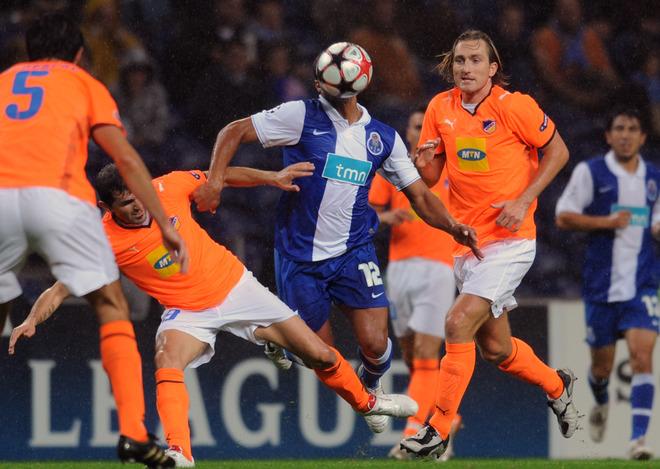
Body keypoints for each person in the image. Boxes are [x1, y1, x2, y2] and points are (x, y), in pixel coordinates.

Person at [10, 163, 419, 467]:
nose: (137, 207)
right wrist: (32, 319)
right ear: (106, 206)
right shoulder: (102, 239)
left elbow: (218, 176)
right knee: (167, 358)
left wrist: (270, 177)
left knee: (322, 355)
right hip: (187, 312)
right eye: (125, 204)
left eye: (137, 196)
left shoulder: (167, 186)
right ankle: (180, 452)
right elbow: (60, 287)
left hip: (237, 288)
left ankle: (368, 404)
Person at [192, 41, 481, 433]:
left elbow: (419, 195)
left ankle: (371, 387)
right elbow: (234, 131)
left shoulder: (382, 138)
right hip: (300, 256)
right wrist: (214, 182)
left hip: (353, 251)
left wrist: (452, 226)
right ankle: (286, 341)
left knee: (376, 345)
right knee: (321, 356)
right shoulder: (299, 116)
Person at [0, 14, 188, 468]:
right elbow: (123, 157)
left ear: (28, 50)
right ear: (80, 54)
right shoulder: (85, 84)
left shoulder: (3, 82)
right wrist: (163, 222)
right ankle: (134, 435)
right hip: (60, 198)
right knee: (110, 305)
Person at [398, 30, 577, 460]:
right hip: (468, 244)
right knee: (495, 349)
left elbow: (559, 152)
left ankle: (437, 428)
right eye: (460, 60)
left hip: (511, 240)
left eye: (476, 60)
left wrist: (524, 200)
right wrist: (422, 165)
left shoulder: (515, 106)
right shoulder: (439, 108)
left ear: (492, 68)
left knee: (456, 322)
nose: (466, 68)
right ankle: (557, 385)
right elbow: (431, 177)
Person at [555, 108, 660, 460]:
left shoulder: (655, 178)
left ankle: (638, 440)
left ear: (642, 137)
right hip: (601, 287)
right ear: (609, 136)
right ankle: (600, 400)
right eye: (620, 128)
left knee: (642, 357)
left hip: (643, 284)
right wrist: (607, 222)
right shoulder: (592, 172)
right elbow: (563, 216)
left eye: (632, 129)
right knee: (601, 369)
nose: (626, 134)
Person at [368, 106, 461, 461]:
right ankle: (445, 421)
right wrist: (385, 217)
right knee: (411, 357)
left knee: (425, 356)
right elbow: (367, 211)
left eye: (426, 127)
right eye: (415, 125)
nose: (420, 132)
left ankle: (412, 436)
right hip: (399, 270)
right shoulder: (394, 168)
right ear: (407, 132)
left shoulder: (452, 168)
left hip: (438, 267)